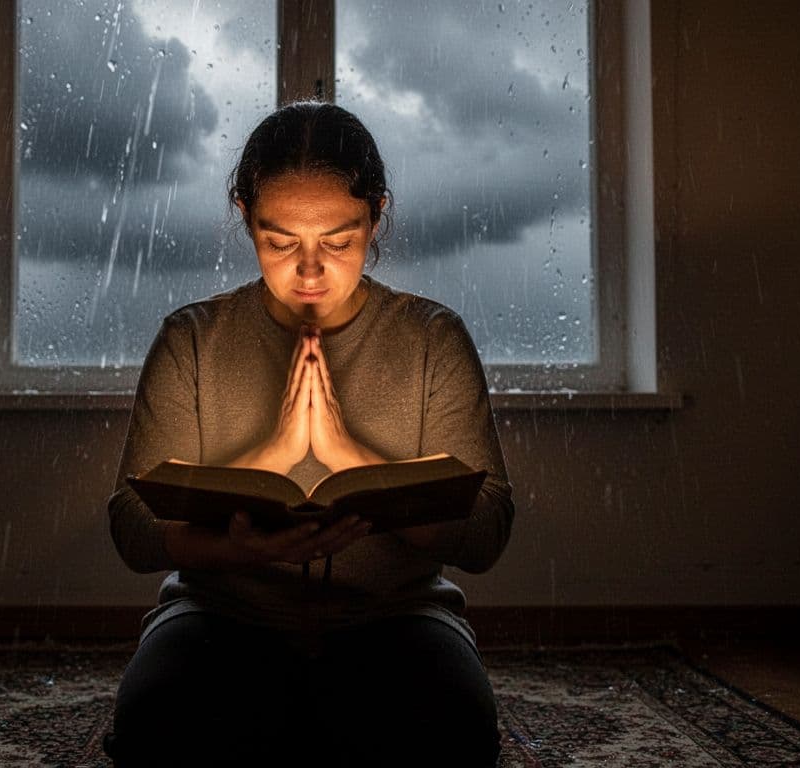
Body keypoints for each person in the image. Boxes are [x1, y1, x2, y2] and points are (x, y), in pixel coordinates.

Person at [102, 101, 515, 768]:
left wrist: (363, 472)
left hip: (397, 615)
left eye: (340, 241)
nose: (310, 271)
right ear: (245, 215)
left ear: (377, 213)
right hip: (221, 615)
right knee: (160, 729)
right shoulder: (194, 339)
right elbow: (131, 525)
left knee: (451, 733)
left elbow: (490, 530)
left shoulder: (432, 338)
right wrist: (235, 548)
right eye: (280, 241)